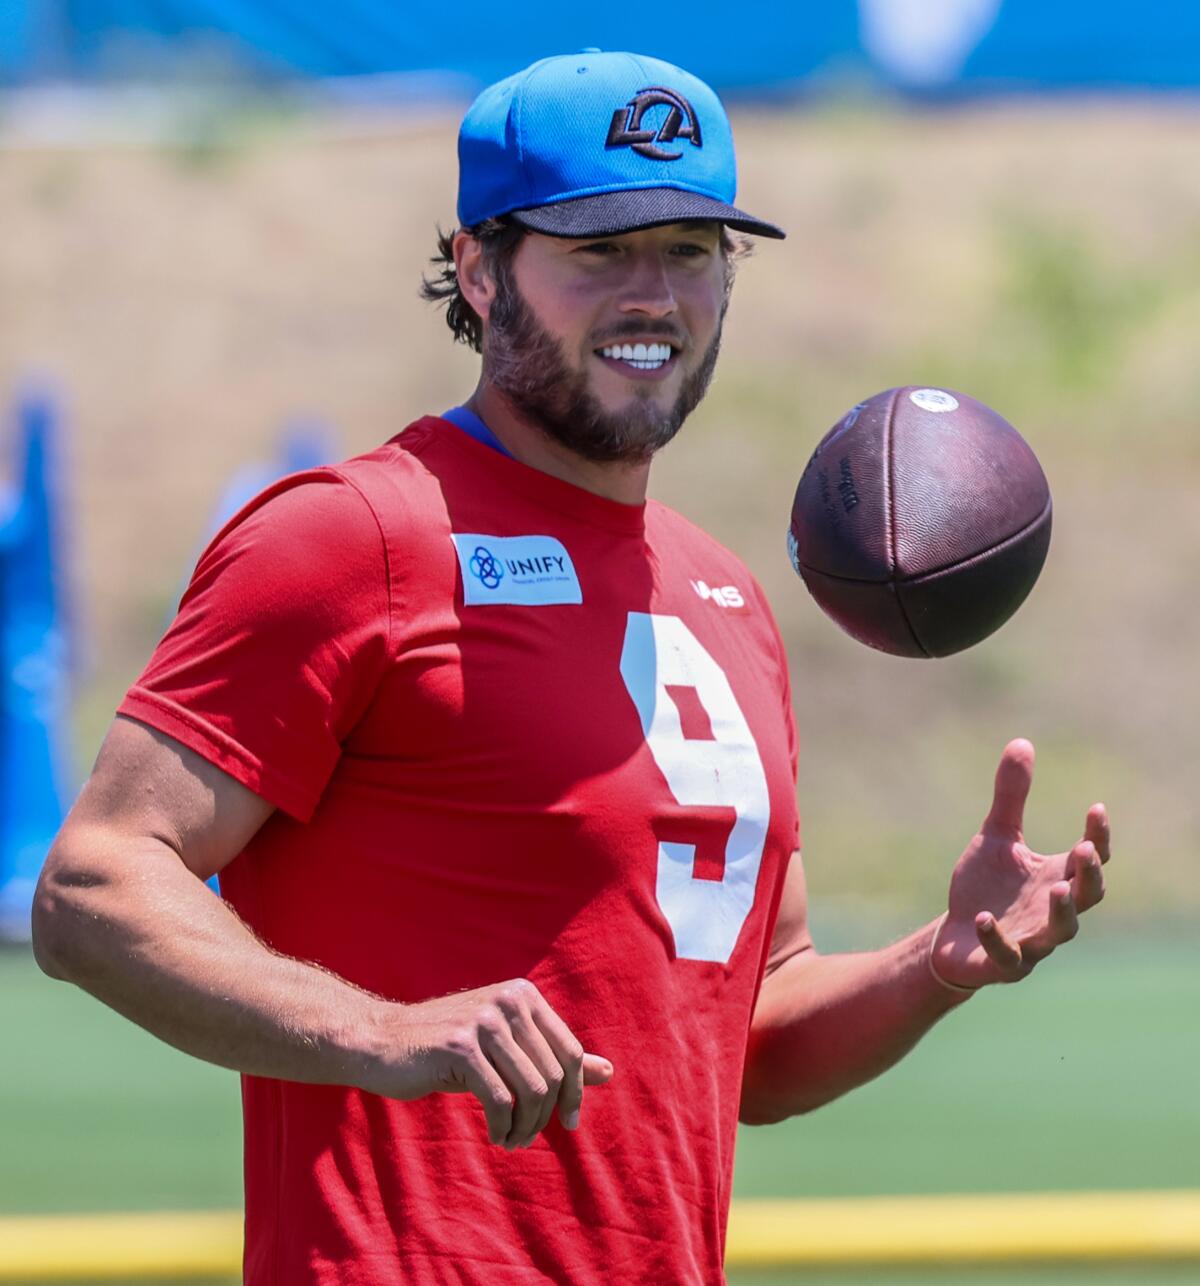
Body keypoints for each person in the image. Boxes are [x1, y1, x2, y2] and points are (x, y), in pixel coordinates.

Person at [31, 50, 1109, 1285]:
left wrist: (942, 959)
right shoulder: (350, 535)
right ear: (481, 271)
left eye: (692, 249)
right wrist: (383, 1030)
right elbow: (96, 888)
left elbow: (745, 1035)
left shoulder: (728, 598)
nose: (653, 294)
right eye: (599, 251)